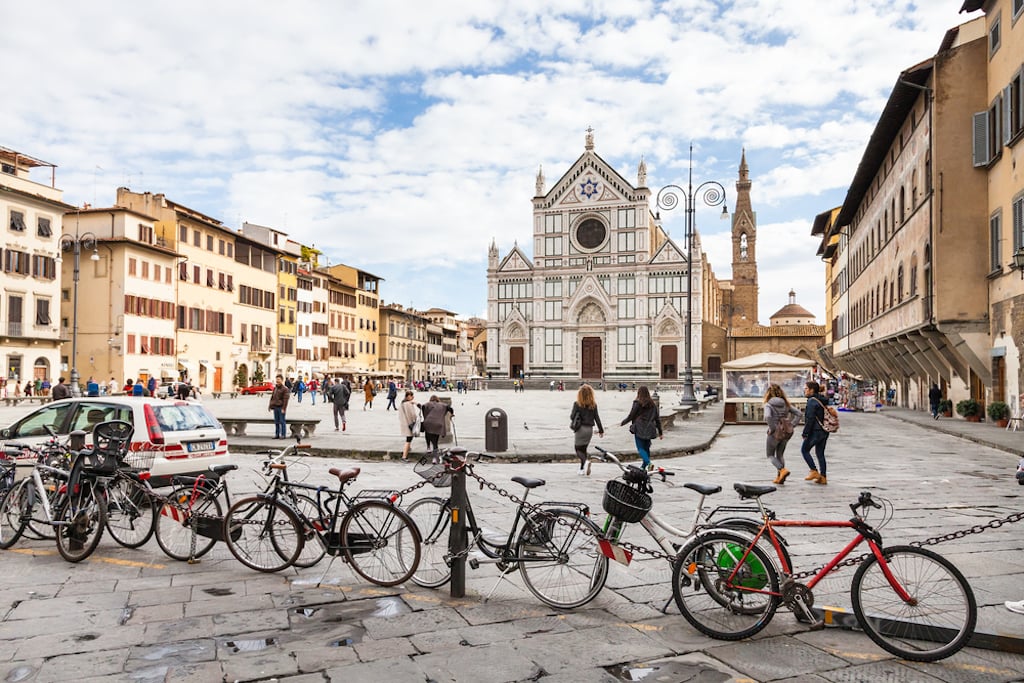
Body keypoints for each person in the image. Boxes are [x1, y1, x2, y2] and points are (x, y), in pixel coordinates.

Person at [763, 384, 802, 484]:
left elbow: (768, 416)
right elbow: (799, 413)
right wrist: (792, 425)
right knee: (780, 454)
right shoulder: (785, 404)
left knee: (770, 455)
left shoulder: (769, 404)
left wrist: (772, 428)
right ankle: (780, 477)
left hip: (775, 433)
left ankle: (782, 470)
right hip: (785, 432)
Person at [620, 385, 662, 471]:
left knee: (640, 448)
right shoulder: (652, 404)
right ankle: (643, 467)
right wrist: (660, 432)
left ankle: (648, 463)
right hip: (650, 428)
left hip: (639, 427)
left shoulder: (637, 403)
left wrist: (623, 422)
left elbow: (631, 415)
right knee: (647, 448)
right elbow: (657, 419)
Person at [569, 384, 604, 476]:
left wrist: (577, 414)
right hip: (589, 430)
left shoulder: (577, 404)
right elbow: (597, 418)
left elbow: (572, 417)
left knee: (578, 449)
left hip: (580, 429)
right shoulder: (593, 405)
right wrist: (601, 430)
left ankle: (586, 462)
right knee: (584, 449)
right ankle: (581, 469)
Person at [800, 380, 831, 485]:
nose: (804, 390)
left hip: (815, 431)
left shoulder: (812, 401)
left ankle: (813, 470)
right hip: (824, 430)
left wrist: (805, 433)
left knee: (804, 450)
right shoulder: (822, 400)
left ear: (811, 390)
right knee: (820, 453)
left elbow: (810, 419)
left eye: (806, 389)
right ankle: (823, 477)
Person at [398, 390, 420, 462]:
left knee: (409, 439)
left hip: (405, 424)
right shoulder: (408, 404)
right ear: (408, 396)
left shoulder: (403, 403)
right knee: (408, 439)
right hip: (409, 424)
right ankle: (404, 456)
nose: (413, 397)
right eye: (411, 395)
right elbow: (411, 415)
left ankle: (408, 449)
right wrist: (415, 421)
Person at [268, 375, 290, 439]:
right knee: (276, 422)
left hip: (281, 407)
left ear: (282, 380)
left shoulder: (285, 389)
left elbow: (286, 400)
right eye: (277, 379)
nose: (277, 381)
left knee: (282, 421)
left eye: (279, 379)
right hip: (275, 407)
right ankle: (277, 434)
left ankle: (283, 435)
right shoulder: (275, 388)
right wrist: (270, 406)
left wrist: (284, 408)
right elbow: (272, 397)